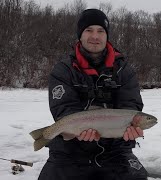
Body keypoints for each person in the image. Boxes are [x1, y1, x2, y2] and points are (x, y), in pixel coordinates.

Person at [38, 9, 149, 180]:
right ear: (80, 35)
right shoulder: (63, 70)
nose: (95, 36)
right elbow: (64, 109)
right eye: (89, 30)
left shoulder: (123, 70)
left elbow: (131, 105)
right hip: (70, 151)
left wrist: (130, 131)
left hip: (115, 151)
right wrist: (77, 130)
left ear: (107, 36)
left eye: (100, 31)